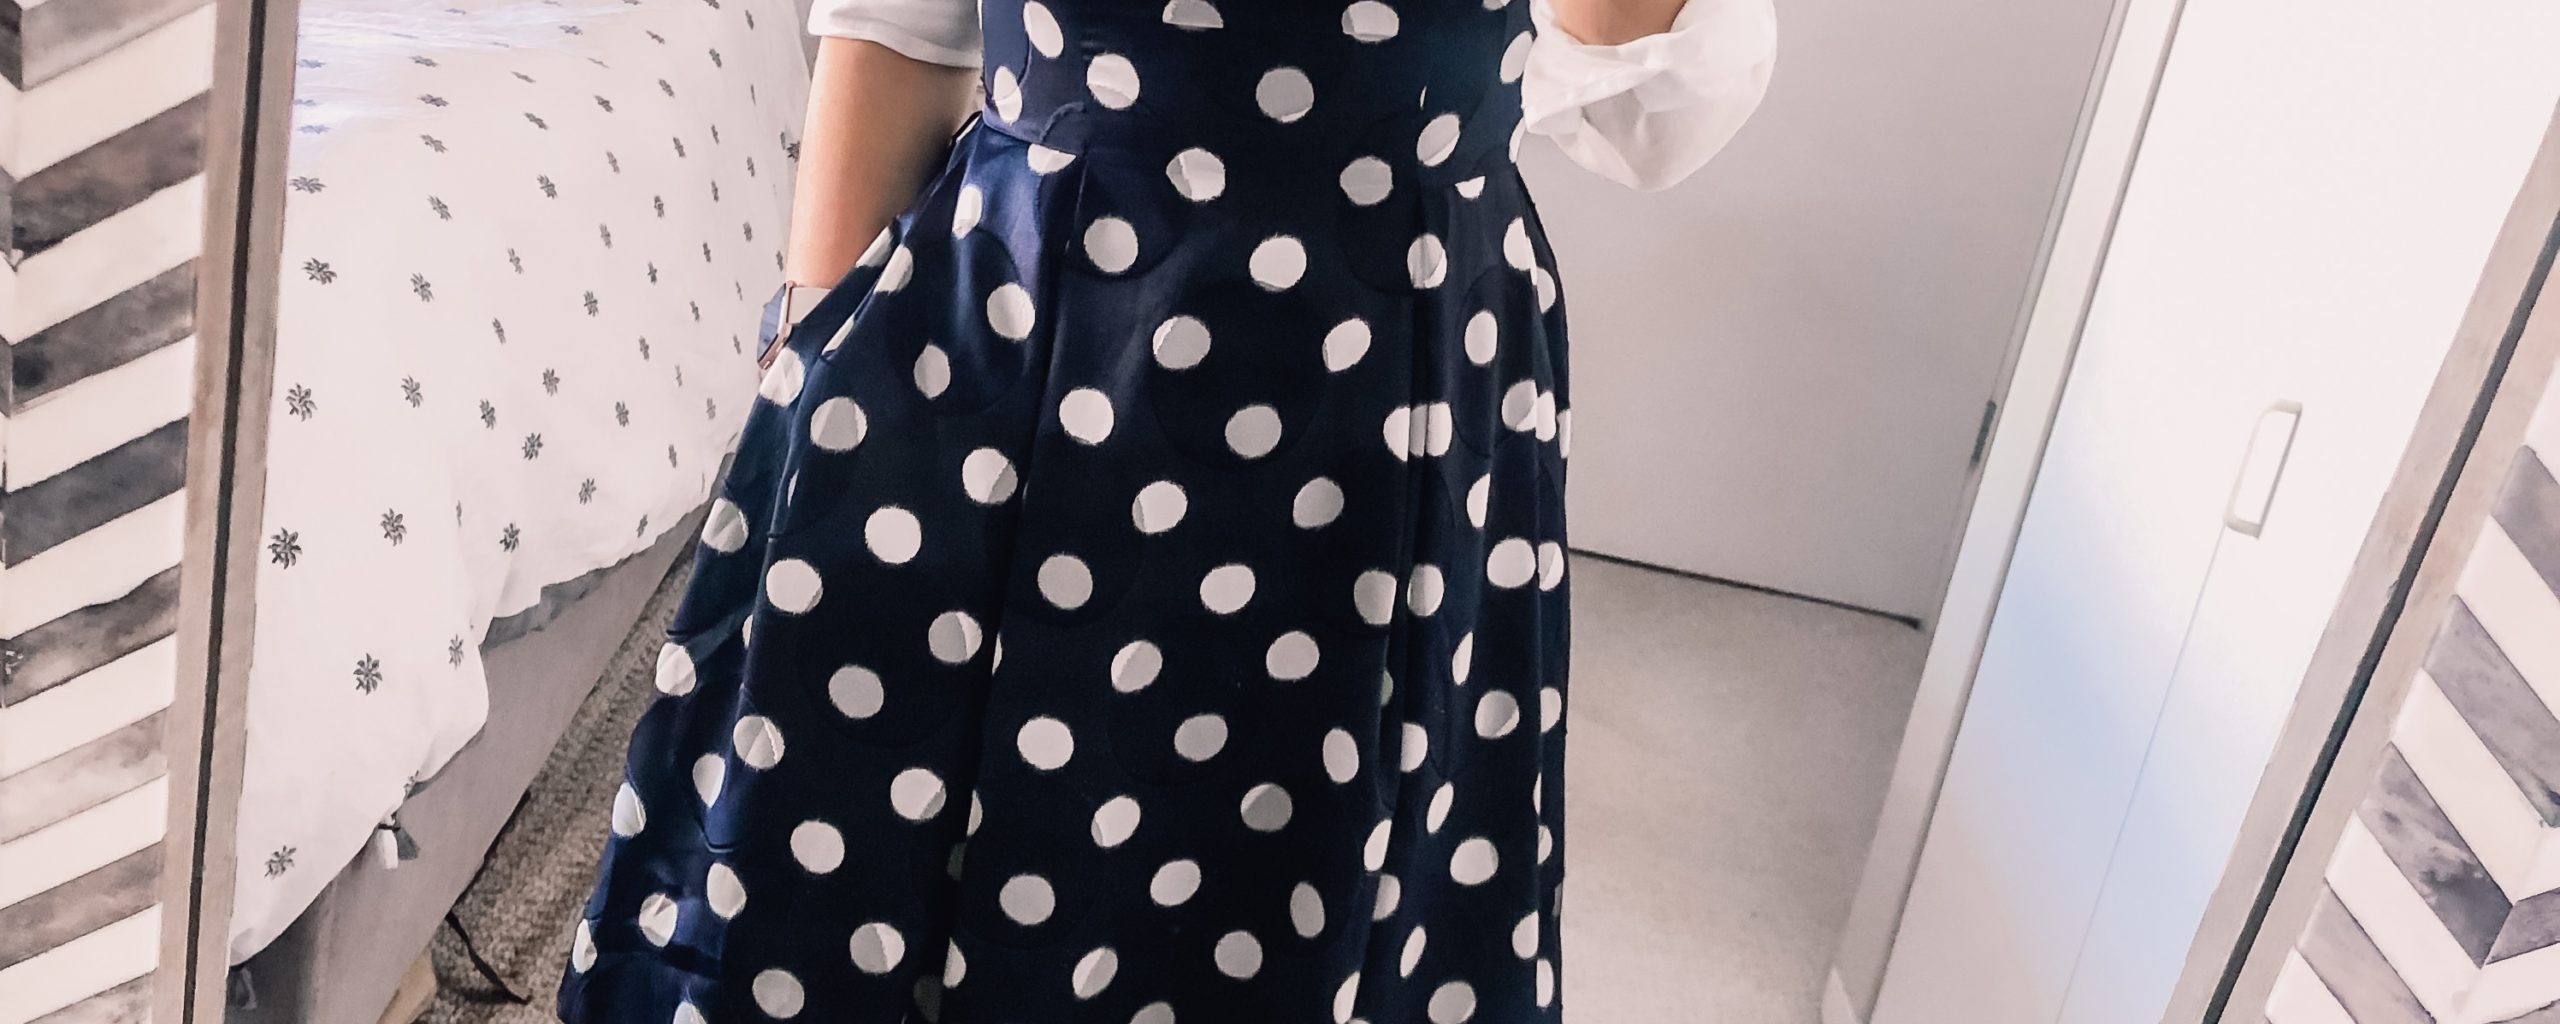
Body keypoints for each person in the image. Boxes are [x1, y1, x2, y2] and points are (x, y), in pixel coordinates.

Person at [559, 0, 1772, 1017]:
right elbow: (899, 27)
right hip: (1007, 337)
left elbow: (1643, 93)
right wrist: (812, 349)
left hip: (1391, 394)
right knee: (856, 857)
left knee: (1327, 879)